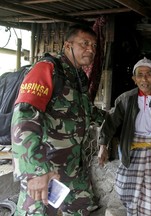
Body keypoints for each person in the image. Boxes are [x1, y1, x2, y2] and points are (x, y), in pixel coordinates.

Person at [11, 24, 104, 215]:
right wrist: (35, 171)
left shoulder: (79, 77)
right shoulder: (48, 69)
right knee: (38, 212)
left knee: (81, 209)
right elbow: (24, 118)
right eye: (84, 43)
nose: (91, 50)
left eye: (94, 46)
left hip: (72, 168)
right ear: (67, 45)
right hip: (46, 168)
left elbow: (85, 112)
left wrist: (116, 118)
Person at [97, 57, 151, 215]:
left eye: (149, 74)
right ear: (134, 79)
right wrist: (103, 146)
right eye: (140, 75)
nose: (144, 79)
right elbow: (110, 123)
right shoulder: (125, 99)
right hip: (131, 151)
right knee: (128, 192)